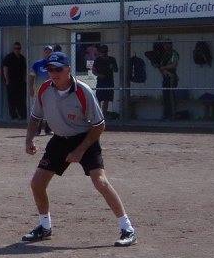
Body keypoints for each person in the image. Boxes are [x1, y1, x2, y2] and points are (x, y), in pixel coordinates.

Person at [23, 52, 136, 247]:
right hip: (59, 140)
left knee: (100, 182)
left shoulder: (83, 91)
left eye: (58, 69)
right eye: (50, 69)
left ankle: (128, 229)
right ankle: (45, 227)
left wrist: (80, 150)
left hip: (86, 138)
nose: (54, 73)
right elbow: (35, 117)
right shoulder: (44, 90)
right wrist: (29, 139)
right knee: (37, 183)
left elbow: (99, 125)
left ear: (68, 69)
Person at [29, 45, 55, 135]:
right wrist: (31, 88)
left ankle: (48, 129)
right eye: (46, 51)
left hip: (52, 91)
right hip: (40, 91)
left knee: (50, 110)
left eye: (50, 52)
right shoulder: (37, 64)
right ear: (44, 53)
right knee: (38, 110)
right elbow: (32, 77)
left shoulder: (55, 64)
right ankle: (37, 130)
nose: (48, 53)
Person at [1, 42, 27, 120]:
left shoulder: (22, 58)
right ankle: (14, 116)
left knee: (21, 99)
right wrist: (7, 80)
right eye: (16, 48)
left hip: (21, 82)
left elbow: (25, 70)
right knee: (12, 100)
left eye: (19, 48)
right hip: (11, 82)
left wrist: (25, 80)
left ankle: (23, 115)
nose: (17, 50)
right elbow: (5, 69)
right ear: (13, 49)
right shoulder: (9, 57)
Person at [91, 44, 118, 115]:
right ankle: (98, 114)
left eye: (105, 52)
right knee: (99, 98)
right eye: (102, 52)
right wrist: (99, 75)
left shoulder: (112, 59)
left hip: (109, 81)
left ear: (107, 52)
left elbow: (116, 70)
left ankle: (104, 114)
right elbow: (93, 71)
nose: (104, 53)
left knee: (107, 99)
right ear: (100, 52)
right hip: (101, 81)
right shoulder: (97, 60)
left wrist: (112, 67)